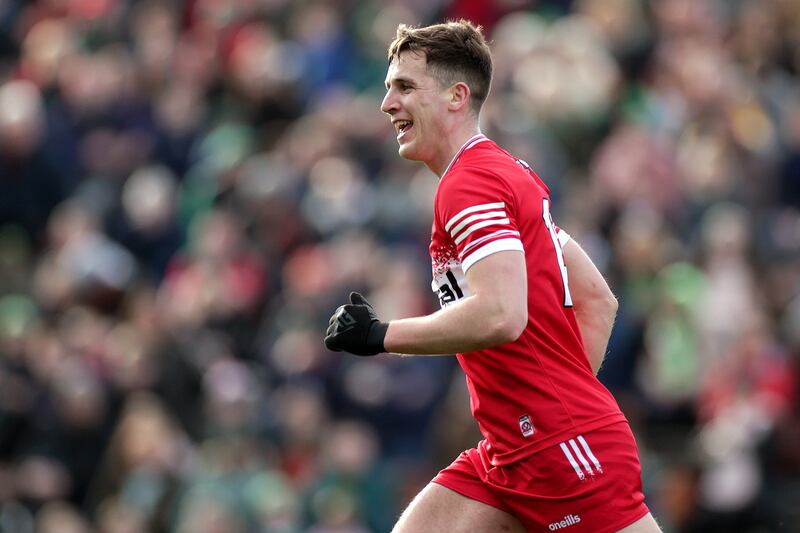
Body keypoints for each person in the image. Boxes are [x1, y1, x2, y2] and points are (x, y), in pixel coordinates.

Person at [324, 20, 662, 533]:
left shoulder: (469, 184)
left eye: (405, 87)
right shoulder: (505, 172)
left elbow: (501, 314)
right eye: (389, 88)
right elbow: (598, 300)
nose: (387, 103)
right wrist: (552, 405)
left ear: (457, 96)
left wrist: (380, 335)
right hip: (513, 450)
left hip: (560, 449)